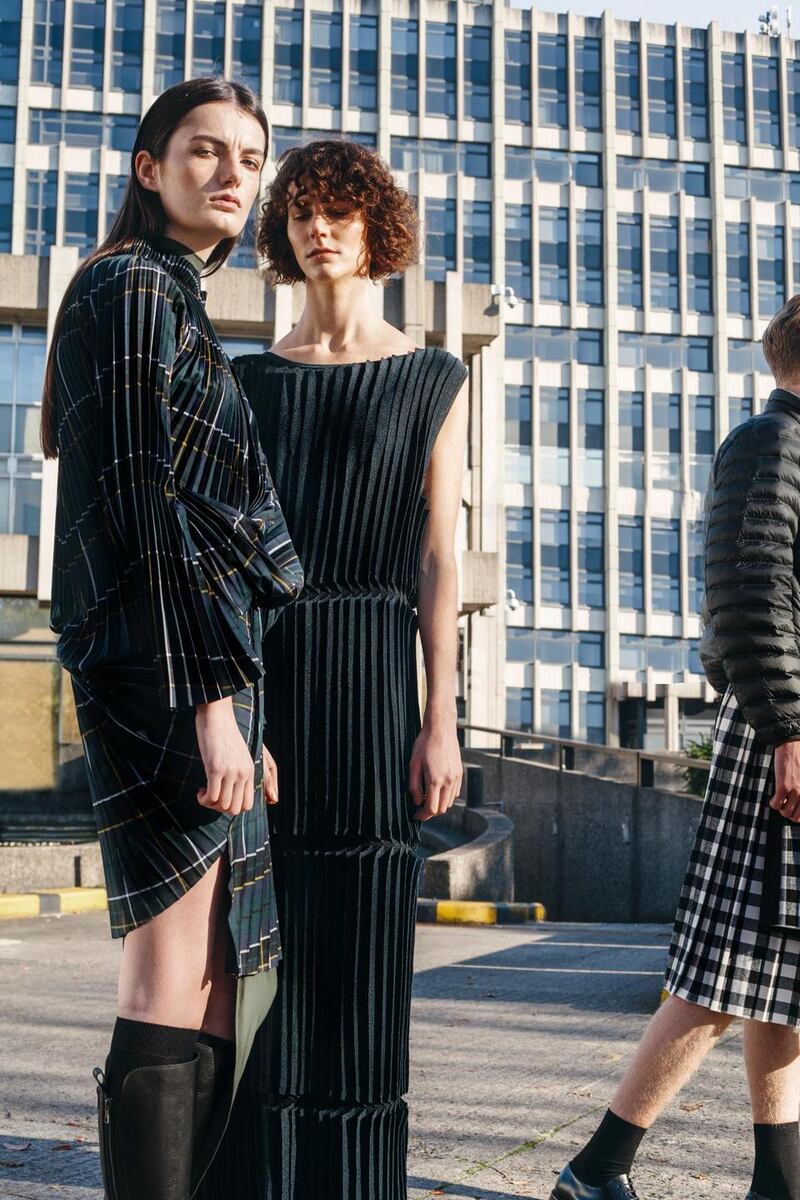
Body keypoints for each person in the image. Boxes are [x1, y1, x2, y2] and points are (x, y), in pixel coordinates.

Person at [43, 78, 304, 1199]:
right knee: (169, 964)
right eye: (204, 151)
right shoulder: (134, 287)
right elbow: (153, 506)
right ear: (148, 169)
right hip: (158, 666)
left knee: (208, 968)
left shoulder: (163, 294)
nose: (233, 174)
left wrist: (237, 705)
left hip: (182, 658)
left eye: (248, 156)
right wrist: (211, 706)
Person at [201, 138, 468, 1199]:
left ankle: (353, 1181)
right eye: (303, 210)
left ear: (374, 231)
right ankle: (251, 1176)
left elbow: (438, 557)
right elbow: (218, 559)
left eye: (340, 212)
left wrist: (438, 717)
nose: (320, 227)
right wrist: (227, 706)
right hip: (265, 673)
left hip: (371, 675)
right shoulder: (244, 377)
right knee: (254, 942)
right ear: (283, 231)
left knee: (359, 935)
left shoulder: (432, 378)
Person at [551, 298, 800, 1200]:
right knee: (728, 968)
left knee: (777, 968)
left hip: (785, 725)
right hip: (785, 732)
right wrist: (788, 730)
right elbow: (750, 591)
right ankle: (596, 1168)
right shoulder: (772, 445)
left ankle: (779, 1180)